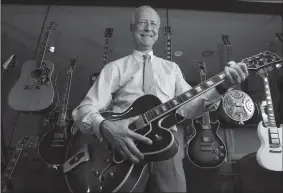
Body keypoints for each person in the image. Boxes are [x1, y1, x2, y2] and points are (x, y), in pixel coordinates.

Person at [72, 5, 249, 192]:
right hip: (123, 146)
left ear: (157, 32)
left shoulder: (172, 69)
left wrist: (222, 87)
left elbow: (191, 108)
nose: (148, 28)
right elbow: (84, 109)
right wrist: (105, 127)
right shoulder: (114, 68)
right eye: (142, 23)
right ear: (132, 28)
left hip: (166, 146)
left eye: (153, 24)